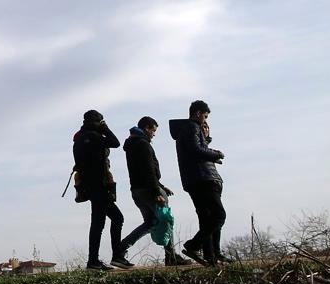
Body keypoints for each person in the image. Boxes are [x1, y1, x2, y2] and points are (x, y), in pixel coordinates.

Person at [119, 117, 188, 266]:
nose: (154, 134)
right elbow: (148, 170)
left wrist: (161, 186)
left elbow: (141, 171)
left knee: (150, 222)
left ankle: (122, 247)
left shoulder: (132, 145)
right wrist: (157, 191)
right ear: (147, 128)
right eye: (153, 130)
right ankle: (171, 256)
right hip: (150, 190)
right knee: (166, 219)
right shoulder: (143, 144)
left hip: (137, 190)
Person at [169, 101, 227, 266]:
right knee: (218, 215)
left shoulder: (185, 130)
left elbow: (196, 150)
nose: (205, 120)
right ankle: (194, 245)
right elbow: (196, 150)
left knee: (206, 218)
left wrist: (206, 140)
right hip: (203, 178)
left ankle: (211, 256)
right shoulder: (192, 127)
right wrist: (216, 154)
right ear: (198, 113)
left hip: (193, 179)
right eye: (205, 116)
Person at [74, 110, 130, 270]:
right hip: (99, 185)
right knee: (116, 218)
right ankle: (114, 258)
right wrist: (105, 129)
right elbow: (115, 142)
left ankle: (94, 261)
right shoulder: (94, 136)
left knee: (98, 223)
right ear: (98, 122)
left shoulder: (79, 138)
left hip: (89, 186)